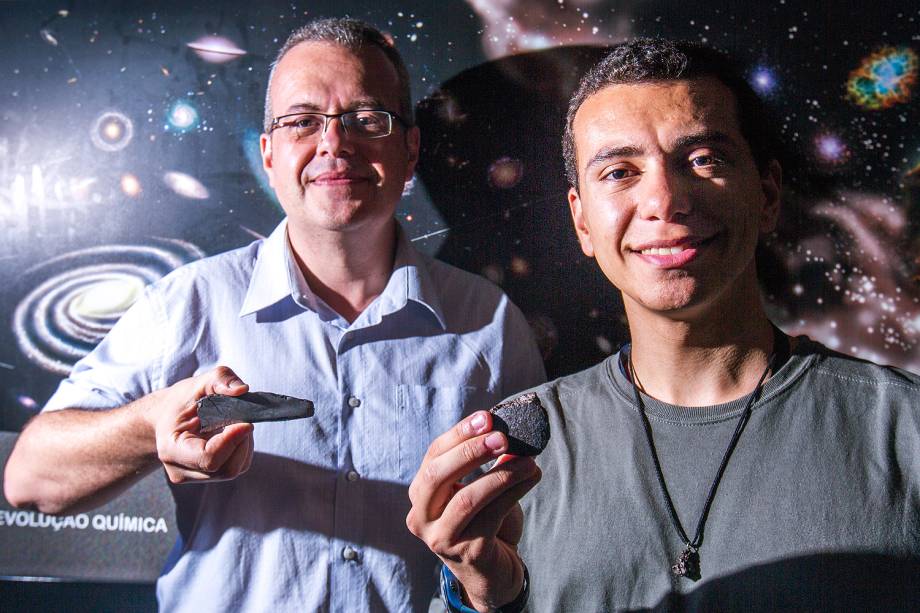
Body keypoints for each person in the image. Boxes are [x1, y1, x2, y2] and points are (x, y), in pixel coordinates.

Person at [3, 18, 545, 612]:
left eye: (367, 120)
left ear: (409, 148)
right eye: (302, 122)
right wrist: (156, 420)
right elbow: (28, 482)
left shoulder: (489, 321)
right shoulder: (187, 304)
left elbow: (539, 535)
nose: (334, 145)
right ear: (268, 153)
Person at [407, 38, 920, 612]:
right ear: (581, 221)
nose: (664, 201)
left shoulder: (903, 431)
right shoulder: (517, 460)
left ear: (768, 194)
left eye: (703, 160)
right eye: (620, 172)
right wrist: (483, 595)